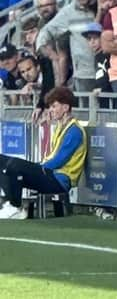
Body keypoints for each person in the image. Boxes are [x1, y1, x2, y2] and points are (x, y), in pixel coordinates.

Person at [0, 87, 86, 220]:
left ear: (65, 107)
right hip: (50, 174)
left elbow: (60, 160)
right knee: (2, 161)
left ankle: (15, 207)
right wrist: (37, 167)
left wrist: (38, 168)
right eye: (50, 107)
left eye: (54, 106)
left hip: (60, 179)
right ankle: (10, 204)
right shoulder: (59, 126)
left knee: (15, 165)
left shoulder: (74, 130)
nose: (51, 110)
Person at [36, 0, 97, 92]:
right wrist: (48, 52)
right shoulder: (68, 12)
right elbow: (46, 31)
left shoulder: (102, 6)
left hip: (108, 72)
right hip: (83, 75)